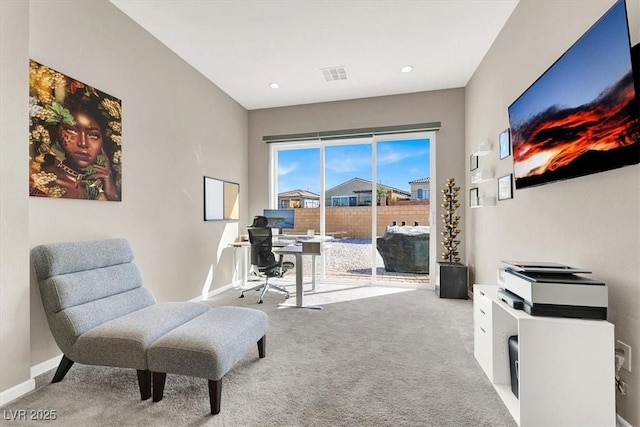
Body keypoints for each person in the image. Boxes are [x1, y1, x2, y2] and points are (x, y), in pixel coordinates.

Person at [30, 90, 121, 201]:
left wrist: (111, 192)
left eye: (93, 135)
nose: (83, 143)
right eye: (71, 130)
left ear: (103, 141)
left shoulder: (98, 185)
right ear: (57, 132)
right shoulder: (39, 180)